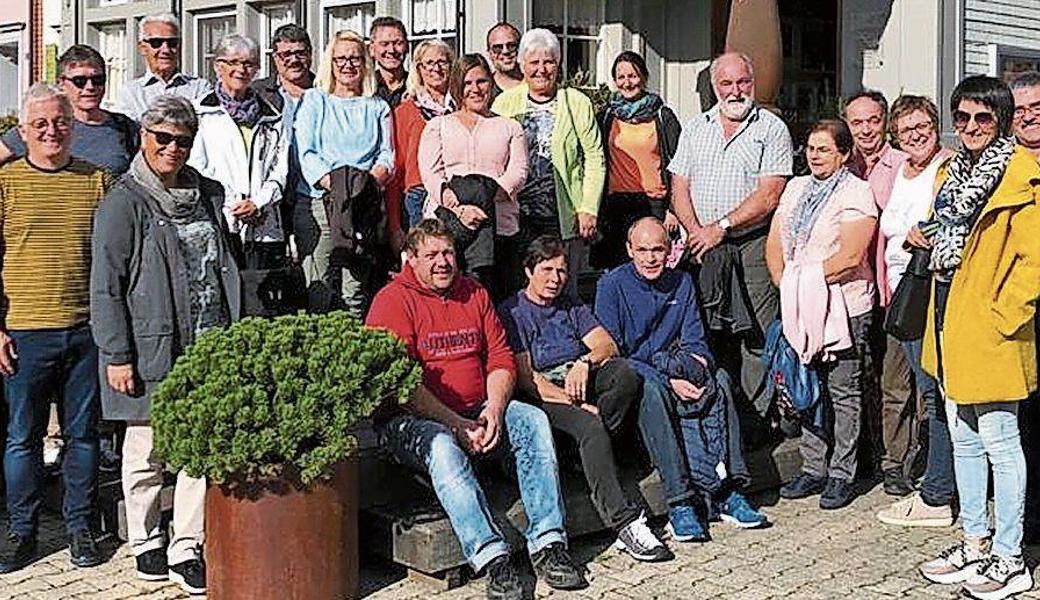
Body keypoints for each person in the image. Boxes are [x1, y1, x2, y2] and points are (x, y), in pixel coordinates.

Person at [366, 219, 587, 600]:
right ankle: (492, 558)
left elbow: (501, 359)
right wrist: (456, 425)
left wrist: (496, 411)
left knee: (532, 420)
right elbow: (401, 384)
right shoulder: (392, 300)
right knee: (442, 448)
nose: (442, 262)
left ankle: (549, 543)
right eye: (432, 254)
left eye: (448, 253)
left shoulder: (474, 293)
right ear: (411, 259)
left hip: (478, 409)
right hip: (412, 420)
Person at [91, 95, 239, 595]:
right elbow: (105, 286)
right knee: (146, 448)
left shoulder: (208, 195)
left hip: (209, 338)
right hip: (151, 342)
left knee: (199, 448)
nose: (173, 148)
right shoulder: (124, 201)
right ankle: (144, 537)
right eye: (163, 138)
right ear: (144, 138)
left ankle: (187, 544)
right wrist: (116, 354)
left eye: (183, 140)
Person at [917, 75, 1038, 600]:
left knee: (1001, 444)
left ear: (1003, 120)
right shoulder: (951, 170)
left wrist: (1003, 316)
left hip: (988, 324)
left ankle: (1011, 560)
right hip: (947, 314)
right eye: (962, 117)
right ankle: (974, 541)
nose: (970, 127)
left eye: (982, 117)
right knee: (963, 440)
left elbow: (1033, 262)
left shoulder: (1022, 175)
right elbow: (946, 226)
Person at [498, 235, 672, 562]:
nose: (555, 279)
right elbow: (526, 378)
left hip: (578, 380)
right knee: (591, 426)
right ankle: (624, 522)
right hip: (542, 395)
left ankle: (587, 456)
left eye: (562, 271)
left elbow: (607, 346)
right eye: (547, 270)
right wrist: (575, 404)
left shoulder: (571, 305)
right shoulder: (513, 311)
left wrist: (584, 362)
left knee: (624, 374)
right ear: (528, 270)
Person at [597, 217, 768, 542]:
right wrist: (668, 377)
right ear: (629, 250)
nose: (650, 258)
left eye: (658, 250)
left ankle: (729, 489)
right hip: (643, 380)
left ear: (670, 250)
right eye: (643, 250)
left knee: (717, 378)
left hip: (677, 368)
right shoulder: (612, 285)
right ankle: (680, 501)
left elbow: (696, 341)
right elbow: (615, 354)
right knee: (653, 390)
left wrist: (695, 367)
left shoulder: (682, 283)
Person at [0, 83, 112, 573]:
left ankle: (79, 528)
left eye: (60, 121)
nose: (52, 130)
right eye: (40, 124)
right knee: (22, 437)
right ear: (21, 131)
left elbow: (112, 260)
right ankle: (22, 532)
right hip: (23, 331)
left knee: (82, 436)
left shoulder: (96, 180)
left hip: (85, 329)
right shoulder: (5, 184)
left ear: (73, 125)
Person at [668, 52, 792, 424]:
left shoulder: (771, 128)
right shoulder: (695, 128)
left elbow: (770, 194)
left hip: (750, 243)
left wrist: (719, 227)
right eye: (727, 83)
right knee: (709, 329)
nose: (736, 91)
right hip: (702, 247)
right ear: (714, 86)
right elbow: (679, 186)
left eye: (743, 82)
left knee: (755, 331)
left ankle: (758, 418)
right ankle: (717, 412)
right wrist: (696, 233)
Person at [768, 120, 878, 510]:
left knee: (843, 392)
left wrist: (804, 281)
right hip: (802, 305)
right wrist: (788, 287)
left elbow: (850, 257)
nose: (814, 155)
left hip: (845, 306)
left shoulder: (857, 192)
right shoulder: (796, 187)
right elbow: (775, 243)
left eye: (824, 149)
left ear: (844, 154)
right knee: (808, 389)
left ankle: (842, 473)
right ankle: (813, 467)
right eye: (811, 148)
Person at [874, 95, 956, 528]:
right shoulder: (901, 171)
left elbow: (946, 223)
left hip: (930, 294)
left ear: (935, 124)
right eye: (906, 129)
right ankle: (935, 482)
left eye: (922, 125)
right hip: (902, 296)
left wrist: (919, 234)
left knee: (934, 394)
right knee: (918, 391)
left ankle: (938, 493)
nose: (916, 134)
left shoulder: (948, 167)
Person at [492, 28, 605, 299]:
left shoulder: (576, 102)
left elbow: (594, 157)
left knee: (562, 285)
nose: (541, 69)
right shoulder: (504, 103)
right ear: (522, 65)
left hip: (563, 212)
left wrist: (588, 207)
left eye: (549, 62)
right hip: (518, 212)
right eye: (534, 62)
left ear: (558, 64)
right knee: (519, 285)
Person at [293, 29, 394, 317]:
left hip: (363, 203)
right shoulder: (315, 100)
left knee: (355, 289)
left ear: (364, 63)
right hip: (321, 202)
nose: (348, 65)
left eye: (354, 58)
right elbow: (306, 152)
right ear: (331, 63)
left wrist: (363, 186)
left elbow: (387, 154)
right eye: (341, 59)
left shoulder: (377, 106)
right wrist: (337, 186)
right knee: (319, 286)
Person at [418, 53, 527, 300]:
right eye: (467, 83)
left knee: (495, 299)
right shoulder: (438, 126)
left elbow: (518, 174)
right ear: (457, 86)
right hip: (449, 226)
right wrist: (460, 209)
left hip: (499, 225)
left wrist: (482, 200)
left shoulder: (510, 128)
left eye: (481, 82)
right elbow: (432, 174)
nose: (475, 89)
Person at [843, 89, 910, 485]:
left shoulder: (903, 165)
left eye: (873, 120)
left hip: (891, 287)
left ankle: (896, 462)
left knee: (895, 380)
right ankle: (866, 456)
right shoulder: (839, 163)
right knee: (858, 376)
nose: (866, 129)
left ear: (884, 122)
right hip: (851, 290)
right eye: (857, 122)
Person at [188, 34, 289, 267]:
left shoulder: (272, 116)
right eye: (233, 62)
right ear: (217, 66)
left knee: (260, 297)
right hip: (220, 220)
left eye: (248, 63)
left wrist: (258, 203)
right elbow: (197, 168)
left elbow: (279, 170)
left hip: (263, 224)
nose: (241, 69)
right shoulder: (200, 112)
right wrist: (233, 205)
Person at [594, 51, 682, 270]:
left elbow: (679, 165)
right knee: (619, 271)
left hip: (654, 204)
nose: (627, 82)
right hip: (617, 205)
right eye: (621, 77)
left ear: (643, 77)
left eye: (632, 76)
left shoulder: (663, 116)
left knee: (654, 268)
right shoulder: (606, 117)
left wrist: (673, 208)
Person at [0, 45, 138, 175]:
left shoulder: (125, 128)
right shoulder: (42, 127)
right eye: (79, 81)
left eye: (97, 79)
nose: (90, 87)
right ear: (62, 84)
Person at [1009, 70, 1040, 547]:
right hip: (1021, 311)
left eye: (1038, 107)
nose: (1030, 116)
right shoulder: (1002, 167)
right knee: (1028, 417)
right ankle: (1030, 518)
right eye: (1020, 110)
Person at [389, 40, 456, 245]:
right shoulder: (406, 111)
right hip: (419, 195)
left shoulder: (462, 107)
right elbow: (396, 169)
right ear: (418, 68)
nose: (436, 69)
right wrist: (394, 224)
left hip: (456, 191)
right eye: (429, 63)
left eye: (442, 62)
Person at [253, 24, 315, 238]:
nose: (293, 60)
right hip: (270, 192)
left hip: (312, 190)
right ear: (275, 58)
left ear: (310, 54)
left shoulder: (326, 90)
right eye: (286, 54)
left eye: (300, 53)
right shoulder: (257, 93)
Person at [117, 14, 212, 121]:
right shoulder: (130, 92)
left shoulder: (199, 88)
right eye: (156, 43)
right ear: (143, 48)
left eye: (172, 43)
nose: (166, 50)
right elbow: (129, 133)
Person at [369, 17, 409, 109]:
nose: (391, 50)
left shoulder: (418, 86)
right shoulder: (364, 88)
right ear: (372, 49)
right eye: (384, 44)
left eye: (398, 43)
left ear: (407, 47)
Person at [486, 22, 523, 98]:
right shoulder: (485, 90)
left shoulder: (534, 84)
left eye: (511, 46)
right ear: (489, 54)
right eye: (498, 48)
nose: (505, 51)